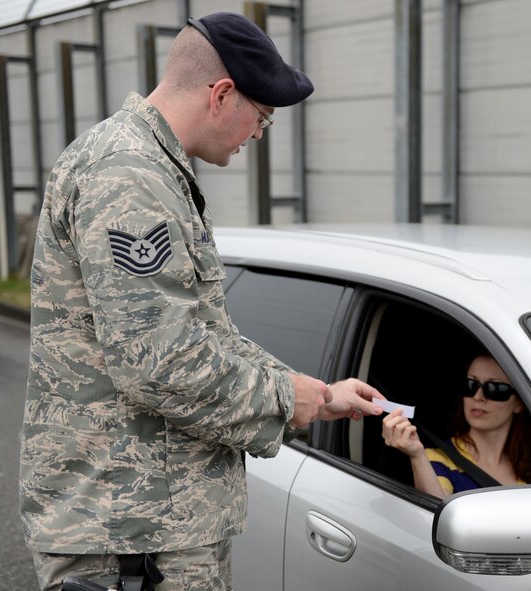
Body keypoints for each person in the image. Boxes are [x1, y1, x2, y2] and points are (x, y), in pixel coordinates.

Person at [20, 12, 383, 591]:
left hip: (149, 519)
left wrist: (310, 391)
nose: (257, 136)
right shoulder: (129, 174)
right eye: (261, 119)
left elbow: (198, 332)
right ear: (221, 94)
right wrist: (286, 397)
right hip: (131, 532)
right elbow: (159, 362)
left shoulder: (150, 164)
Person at [382, 353, 531, 499]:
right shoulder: (437, 458)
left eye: (495, 389)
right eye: (471, 385)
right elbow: (436, 515)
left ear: (519, 403)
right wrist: (417, 455)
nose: (478, 396)